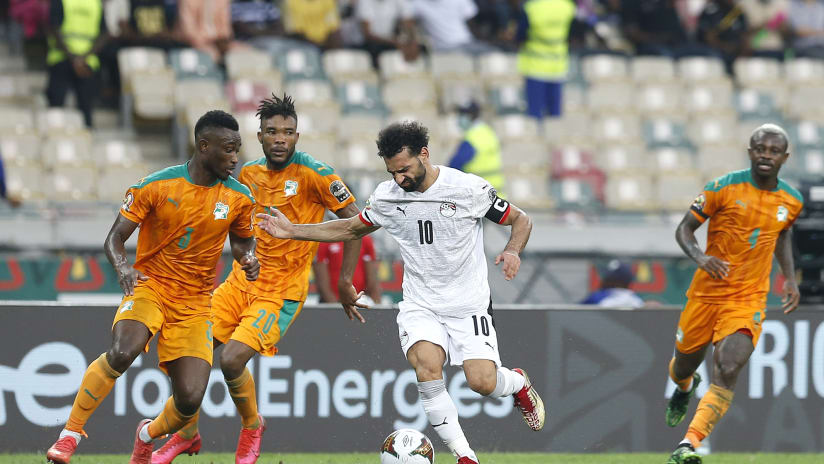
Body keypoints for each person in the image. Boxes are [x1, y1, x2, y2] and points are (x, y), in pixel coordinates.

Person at [257, 121, 545, 464]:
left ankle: (517, 384)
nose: (399, 179)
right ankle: (465, 456)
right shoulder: (387, 197)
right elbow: (350, 228)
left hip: (469, 305)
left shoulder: (467, 189)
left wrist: (512, 250)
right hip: (420, 303)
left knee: (482, 382)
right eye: (392, 172)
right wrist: (293, 231)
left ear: (424, 154)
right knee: (427, 369)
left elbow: (521, 219)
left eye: (405, 170)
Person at [151, 95, 362, 464]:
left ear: (298, 136)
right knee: (189, 356)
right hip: (237, 286)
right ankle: (186, 434)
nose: (280, 139)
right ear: (260, 136)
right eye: (272, 132)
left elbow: (357, 224)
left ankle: (251, 426)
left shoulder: (316, 174)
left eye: (288, 132)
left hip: (280, 293)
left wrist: (344, 281)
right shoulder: (246, 174)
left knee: (231, 361)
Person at [45, 110, 260, 464]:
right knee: (123, 351)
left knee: (190, 399)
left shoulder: (239, 197)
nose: (236, 158)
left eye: (238, 149)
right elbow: (115, 237)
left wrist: (248, 258)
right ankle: (69, 435)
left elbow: (241, 243)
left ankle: (146, 435)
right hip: (151, 287)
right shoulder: (156, 186)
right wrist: (123, 267)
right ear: (204, 146)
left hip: (195, 304)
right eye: (229, 149)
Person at [665, 124, 803, 464]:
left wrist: (789, 277)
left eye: (773, 151)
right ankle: (684, 386)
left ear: (785, 157)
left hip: (748, 298)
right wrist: (701, 257)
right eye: (760, 148)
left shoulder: (792, 200)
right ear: (750, 152)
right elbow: (684, 229)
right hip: (705, 295)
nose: (766, 155)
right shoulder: (722, 188)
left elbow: (781, 234)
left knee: (728, 367)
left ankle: (687, 446)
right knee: (683, 364)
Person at [45, 0, 109, 127]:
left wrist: (75, 59)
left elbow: (53, 28)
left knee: (82, 107)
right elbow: (54, 28)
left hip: (68, 59)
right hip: (76, 60)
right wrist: (81, 58)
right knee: (61, 106)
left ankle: (83, 139)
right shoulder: (95, 3)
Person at [515, 0, 576, 120]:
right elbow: (573, 33)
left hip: (535, 66)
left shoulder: (532, 8)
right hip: (557, 65)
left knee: (534, 114)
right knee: (555, 116)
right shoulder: (567, 6)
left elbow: (520, 35)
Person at [449, 100, 506, 195]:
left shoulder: (472, 138)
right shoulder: (488, 132)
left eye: (461, 115)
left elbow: (454, 167)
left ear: (469, 116)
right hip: (497, 196)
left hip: (480, 196)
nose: (458, 119)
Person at [315, 234, 383, 306]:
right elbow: (322, 282)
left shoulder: (366, 240)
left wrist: (376, 307)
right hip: (333, 302)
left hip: (360, 301)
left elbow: (373, 280)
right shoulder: (326, 240)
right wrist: (335, 307)